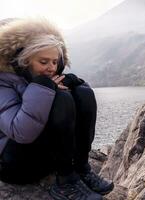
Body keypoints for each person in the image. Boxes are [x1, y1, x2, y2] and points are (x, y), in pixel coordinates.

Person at [0, 18, 114, 200]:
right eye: (43, 62)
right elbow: (20, 132)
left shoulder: (45, 75)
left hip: (45, 157)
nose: (51, 68)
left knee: (82, 93)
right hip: (14, 164)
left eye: (55, 62)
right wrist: (43, 87)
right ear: (24, 61)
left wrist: (72, 84)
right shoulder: (3, 81)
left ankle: (81, 168)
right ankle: (66, 182)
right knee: (60, 98)